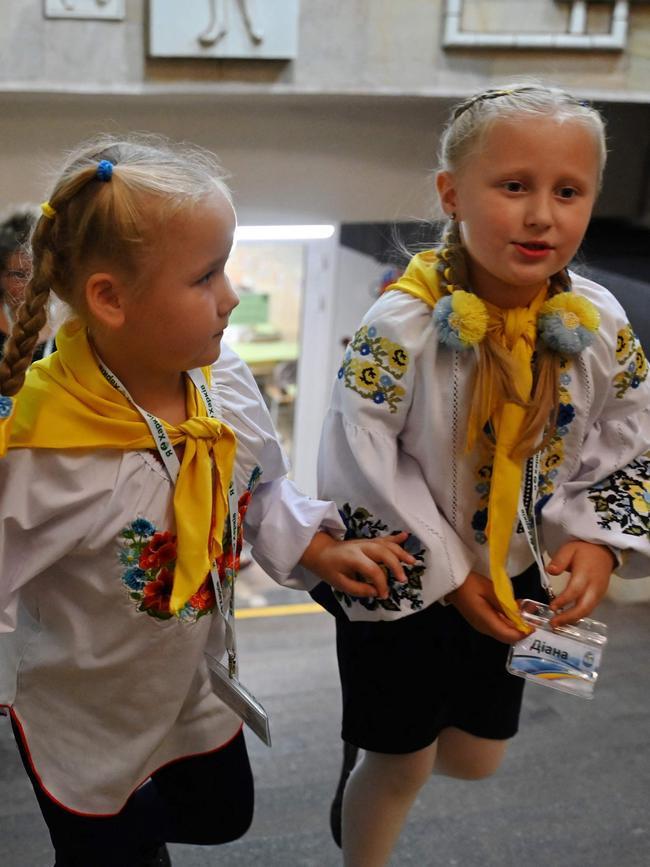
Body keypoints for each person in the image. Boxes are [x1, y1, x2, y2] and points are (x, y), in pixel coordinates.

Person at [0, 134, 415, 867]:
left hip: (188, 685)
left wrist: (318, 545)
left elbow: (255, 488)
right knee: (110, 850)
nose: (231, 295)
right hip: (85, 718)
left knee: (225, 814)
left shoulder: (218, 381)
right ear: (109, 298)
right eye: (206, 277)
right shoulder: (44, 453)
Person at [313, 82, 650, 866]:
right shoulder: (400, 326)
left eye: (568, 192)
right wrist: (449, 572)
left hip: (520, 572)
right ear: (451, 193)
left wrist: (598, 542)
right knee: (400, 760)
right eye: (513, 187)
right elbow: (358, 458)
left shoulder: (597, 324)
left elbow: (633, 431)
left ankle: (383, 752)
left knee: (477, 755)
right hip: (406, 571)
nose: (542, 215)